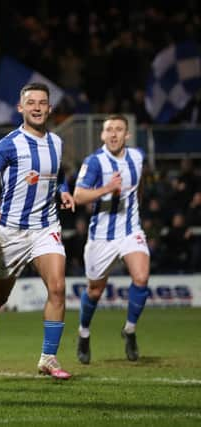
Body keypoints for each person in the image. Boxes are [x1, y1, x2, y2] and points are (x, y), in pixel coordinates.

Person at [0, 82, 75, 380]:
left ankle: (48, 358)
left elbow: (59, 174)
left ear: (50, 108)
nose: (38, 107)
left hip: (46, 228)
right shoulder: (8, 144)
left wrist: (64, 191)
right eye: (31, 103)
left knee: (57, 288)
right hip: (10, 232)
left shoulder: (57, 142)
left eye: (43, 102)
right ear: (21, 108)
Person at [73, 114, 150, 364]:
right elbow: (78, 196)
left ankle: (129, 330)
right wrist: (106, 189)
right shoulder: (94, 162)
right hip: (101, 237)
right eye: (109, 130)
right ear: (103, 135)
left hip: (130, 230)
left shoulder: (138, 157)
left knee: (141, 277)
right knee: (95, 291)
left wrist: (138, 209)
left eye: (119, 129)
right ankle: (83, 333)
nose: (114, 134)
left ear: (127, 135)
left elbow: (138, 186)